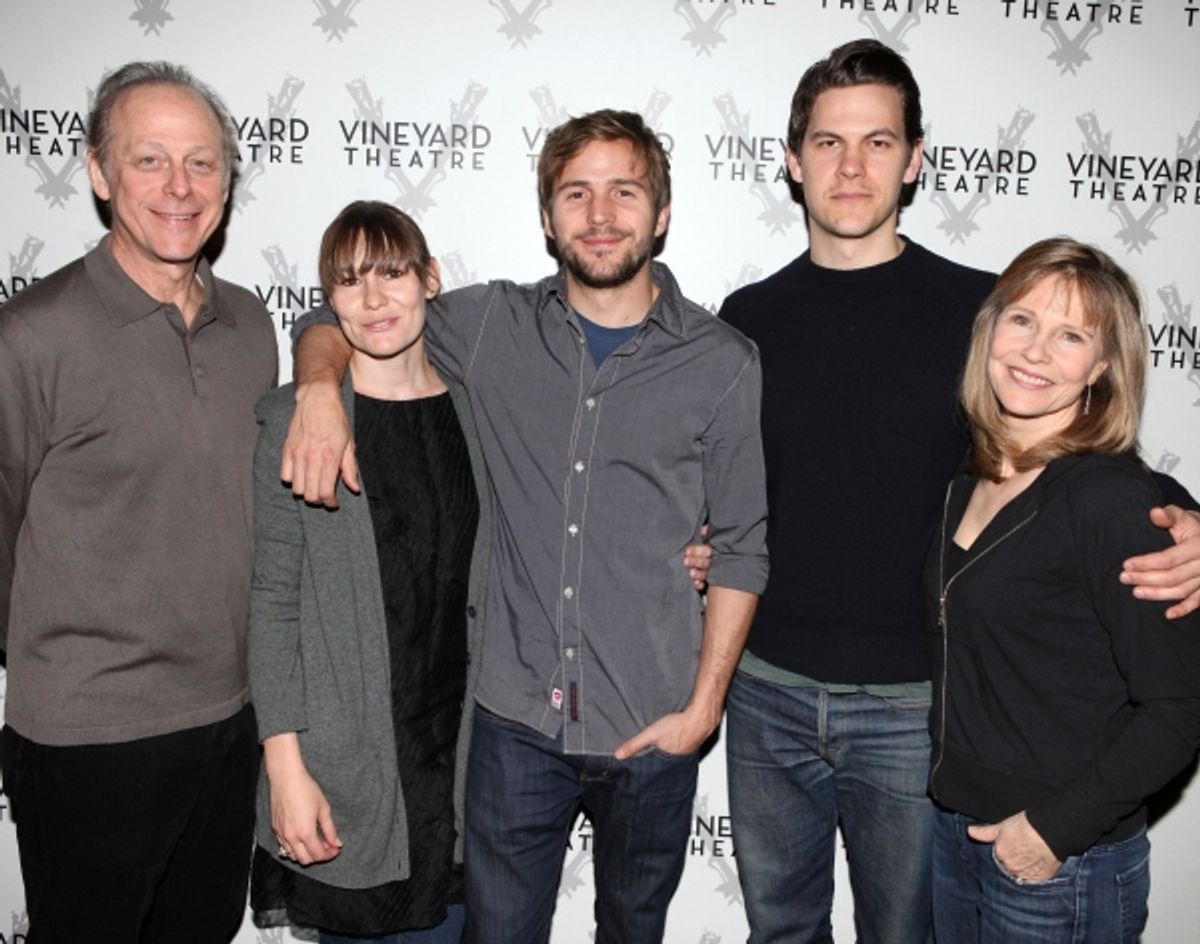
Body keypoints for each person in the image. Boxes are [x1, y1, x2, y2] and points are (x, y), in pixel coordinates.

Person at [717, 39, 1200, 944]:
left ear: (914, 160)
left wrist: (1188, 521)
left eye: (877, 142)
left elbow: (1084, 452)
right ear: (791, 160)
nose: (851, 166)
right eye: (827, 142)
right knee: (779, 931)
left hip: (919, 710)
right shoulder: (746, 320)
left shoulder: (985, 314)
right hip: (765, 690)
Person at [284, 110, 768, 943]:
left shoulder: (722, 360)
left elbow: (742, 548)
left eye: (625, 191)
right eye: (576, 193)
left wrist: (702, 711)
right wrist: (319, 390)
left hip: (652, 726)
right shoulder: (490, 326)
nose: (600, 214)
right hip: (513, 729)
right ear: (548, 216)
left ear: (661, 212)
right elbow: (344, 317)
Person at [0, 62, 276, 941]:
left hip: (230, 719)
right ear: (98, 172)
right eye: (149, 159)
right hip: (89, 738)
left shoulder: (251, 324)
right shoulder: (31, 335)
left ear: (227, 182)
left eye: (201, 163)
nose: (178, 187)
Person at [927, 237, 1200, 943]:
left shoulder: (1114, 503)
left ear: (1102, 367)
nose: (1036, 351)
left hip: (1059, 862)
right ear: (990, 329)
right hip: (958, 835)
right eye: (1022, 320)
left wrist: (1051, 831)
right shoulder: (972, 476)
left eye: (1071, 336)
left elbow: (1178, 709)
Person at [248, 201, 492, 944]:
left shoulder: (479, 410)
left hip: (462, 767)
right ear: (330, 300)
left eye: (392, 274)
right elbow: (272, 603)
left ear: (430, 279)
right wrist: (286, 771)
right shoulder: (295, 420)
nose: (374, 298)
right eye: (351, 281)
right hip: (347, 769)